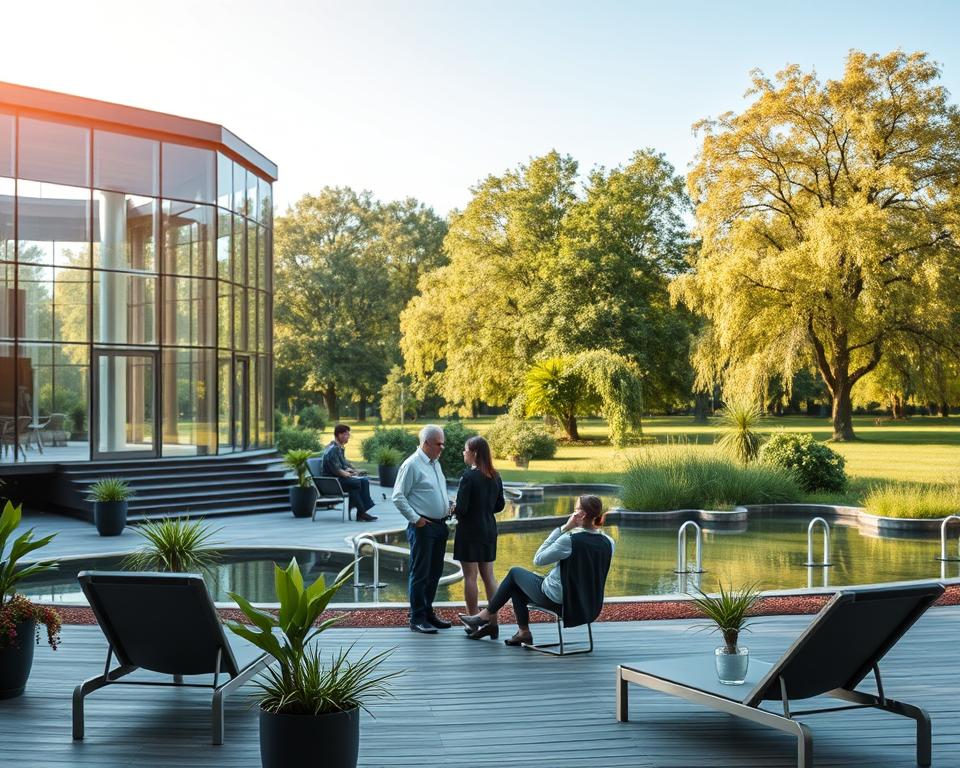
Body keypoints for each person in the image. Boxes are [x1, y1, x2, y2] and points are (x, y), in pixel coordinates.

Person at [459, 495, 614, 645]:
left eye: (575, 509)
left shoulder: (570, 540)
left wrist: (564, 527)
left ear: (582, 514)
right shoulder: (608, 542)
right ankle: (522, 633)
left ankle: (487, 616)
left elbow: (538, 559)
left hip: (561, 601)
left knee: (514, 573)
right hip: (589, 606)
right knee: (516, 585)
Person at [392, 424, 453, 634]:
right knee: (420, 573)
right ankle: (417, 618)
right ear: (425, 443)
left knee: (434, 573)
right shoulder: (411, 465)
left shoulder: (435, 463)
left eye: (443, 443)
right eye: (438, 444)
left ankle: (427, 612)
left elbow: (434, 491)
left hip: (439, 525)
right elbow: (397, 496)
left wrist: (447, 504)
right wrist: (416, 519)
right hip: (423, 527)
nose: (442, 447)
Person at [453, 436, 504, 630]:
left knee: (470, 577)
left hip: (469, 531)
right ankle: (493, 621)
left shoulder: (468, 477)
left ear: (474, 453)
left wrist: (453, 507)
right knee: (489, 576)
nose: (463, 453)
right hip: (489, 529)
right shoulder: (495, 475)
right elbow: (499, 505)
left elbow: (463, 509)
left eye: (465, 450)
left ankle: (473, 620)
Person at [321, 423, 378, 522]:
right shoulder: (332, 450)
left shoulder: (338, 448)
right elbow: (338, 471)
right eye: (346, 434)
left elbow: (344, 464)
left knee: (363, 481)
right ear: (339, 435)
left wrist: (355, 471)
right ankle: (361, 512)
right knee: (356, 483)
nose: (348, 437)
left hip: (339, 479)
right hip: (333, 482)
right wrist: (352, 475)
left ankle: (361, 512)